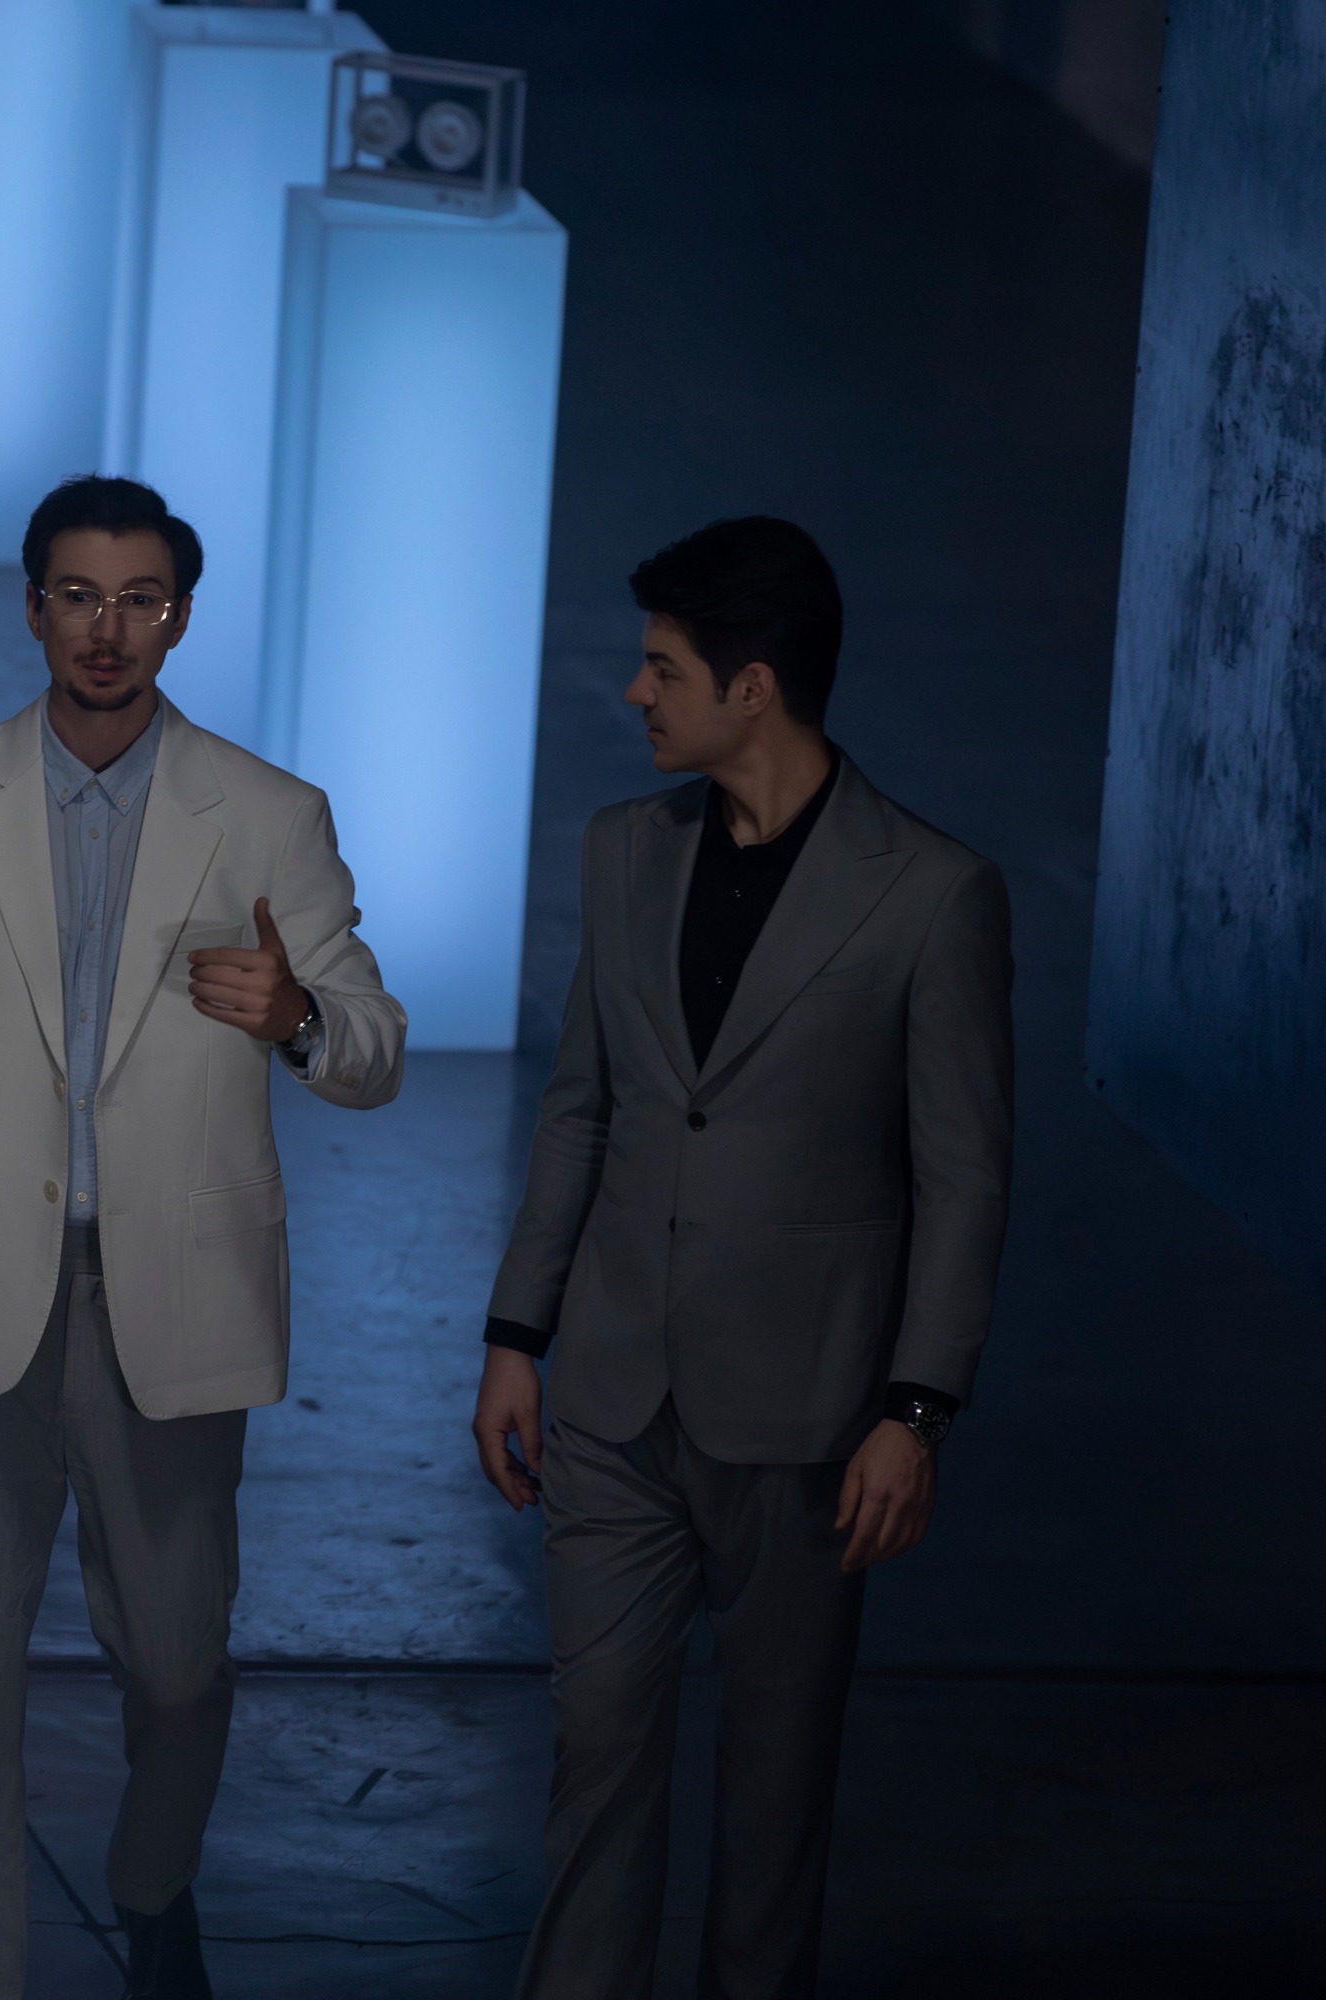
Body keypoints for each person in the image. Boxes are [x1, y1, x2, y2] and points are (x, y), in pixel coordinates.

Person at [0, 476, 407, 1999]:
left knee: (181, 1667)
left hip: (175, 1299)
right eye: (79, 595)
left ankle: (151, 1885)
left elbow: (376, 1049)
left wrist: (297, 1017)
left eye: (141, 600)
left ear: (182, 619)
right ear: (31, 607)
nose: (109, 629)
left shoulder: (271, 814)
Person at [472, 517, 1014, 1998]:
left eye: (661, 668)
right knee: (594, 1767)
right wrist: (517, 1334)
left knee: (775, 1810)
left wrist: (917, 1411)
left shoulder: (930, 897)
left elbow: (965, 1181)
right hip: (612, 1406)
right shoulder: (620, 854)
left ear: (753, 687)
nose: (635, 694)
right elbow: (582, 1107)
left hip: (810, 1421)